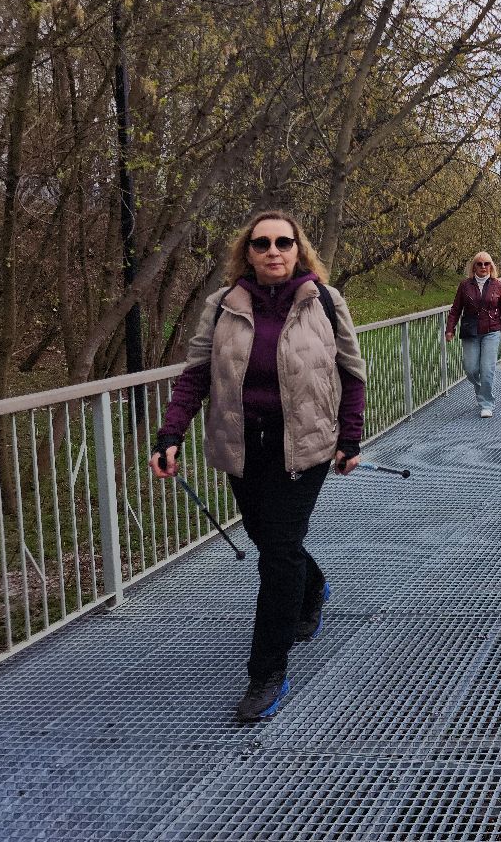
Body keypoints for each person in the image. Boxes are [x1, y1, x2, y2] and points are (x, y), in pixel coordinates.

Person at [149, 211, 366, 724]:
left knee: (280, 548)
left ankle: (266, 672)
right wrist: (170, 432)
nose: (273, 251)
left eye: (283, 242)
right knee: (265, 537)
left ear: (298, 249)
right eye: (262, 243)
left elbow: (351, 375)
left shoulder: (325, 303)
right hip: (243, 445)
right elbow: (196, 374)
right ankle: (312, 587)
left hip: (305, 445)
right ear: (247, 252)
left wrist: (350, 436)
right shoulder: (224, 306)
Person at [445, 252, 501, 418]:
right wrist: (450, 329)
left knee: (487, 369)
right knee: (470, 369)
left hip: (492, 331)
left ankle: (486, 403)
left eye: (487, 264)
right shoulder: (465, 285)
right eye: (480, 264)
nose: (483, 267)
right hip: (471, 331)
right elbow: (456, 309)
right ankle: (482, 390)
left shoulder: (498, 285)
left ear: (491, 266)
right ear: (474, 266)